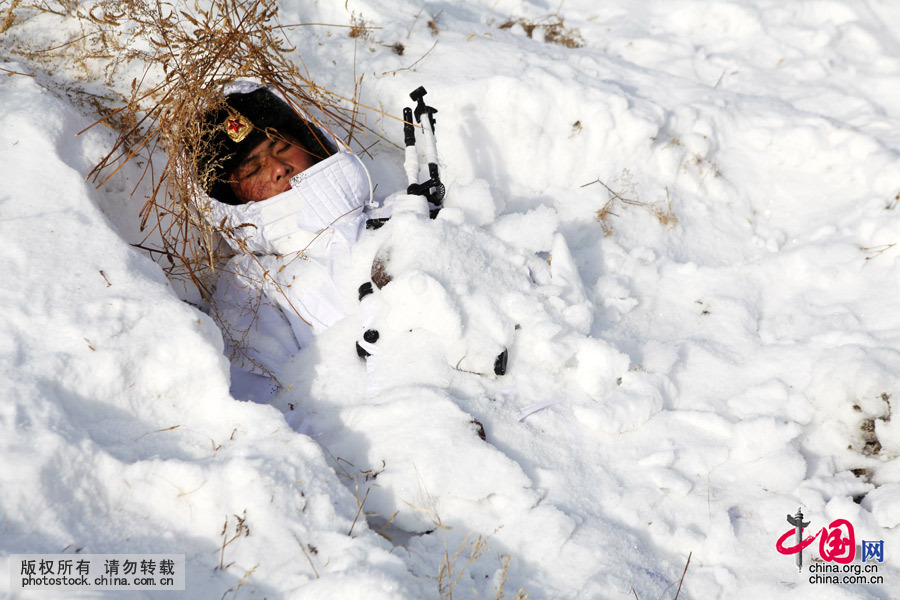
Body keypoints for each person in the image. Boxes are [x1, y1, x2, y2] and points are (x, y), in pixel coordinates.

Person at [196, 82, 382, 401]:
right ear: (231, 194)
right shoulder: (251, 286)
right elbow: (275, 407)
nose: (279, 169)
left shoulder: (402, 210)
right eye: (253, 169)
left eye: (282, 148)